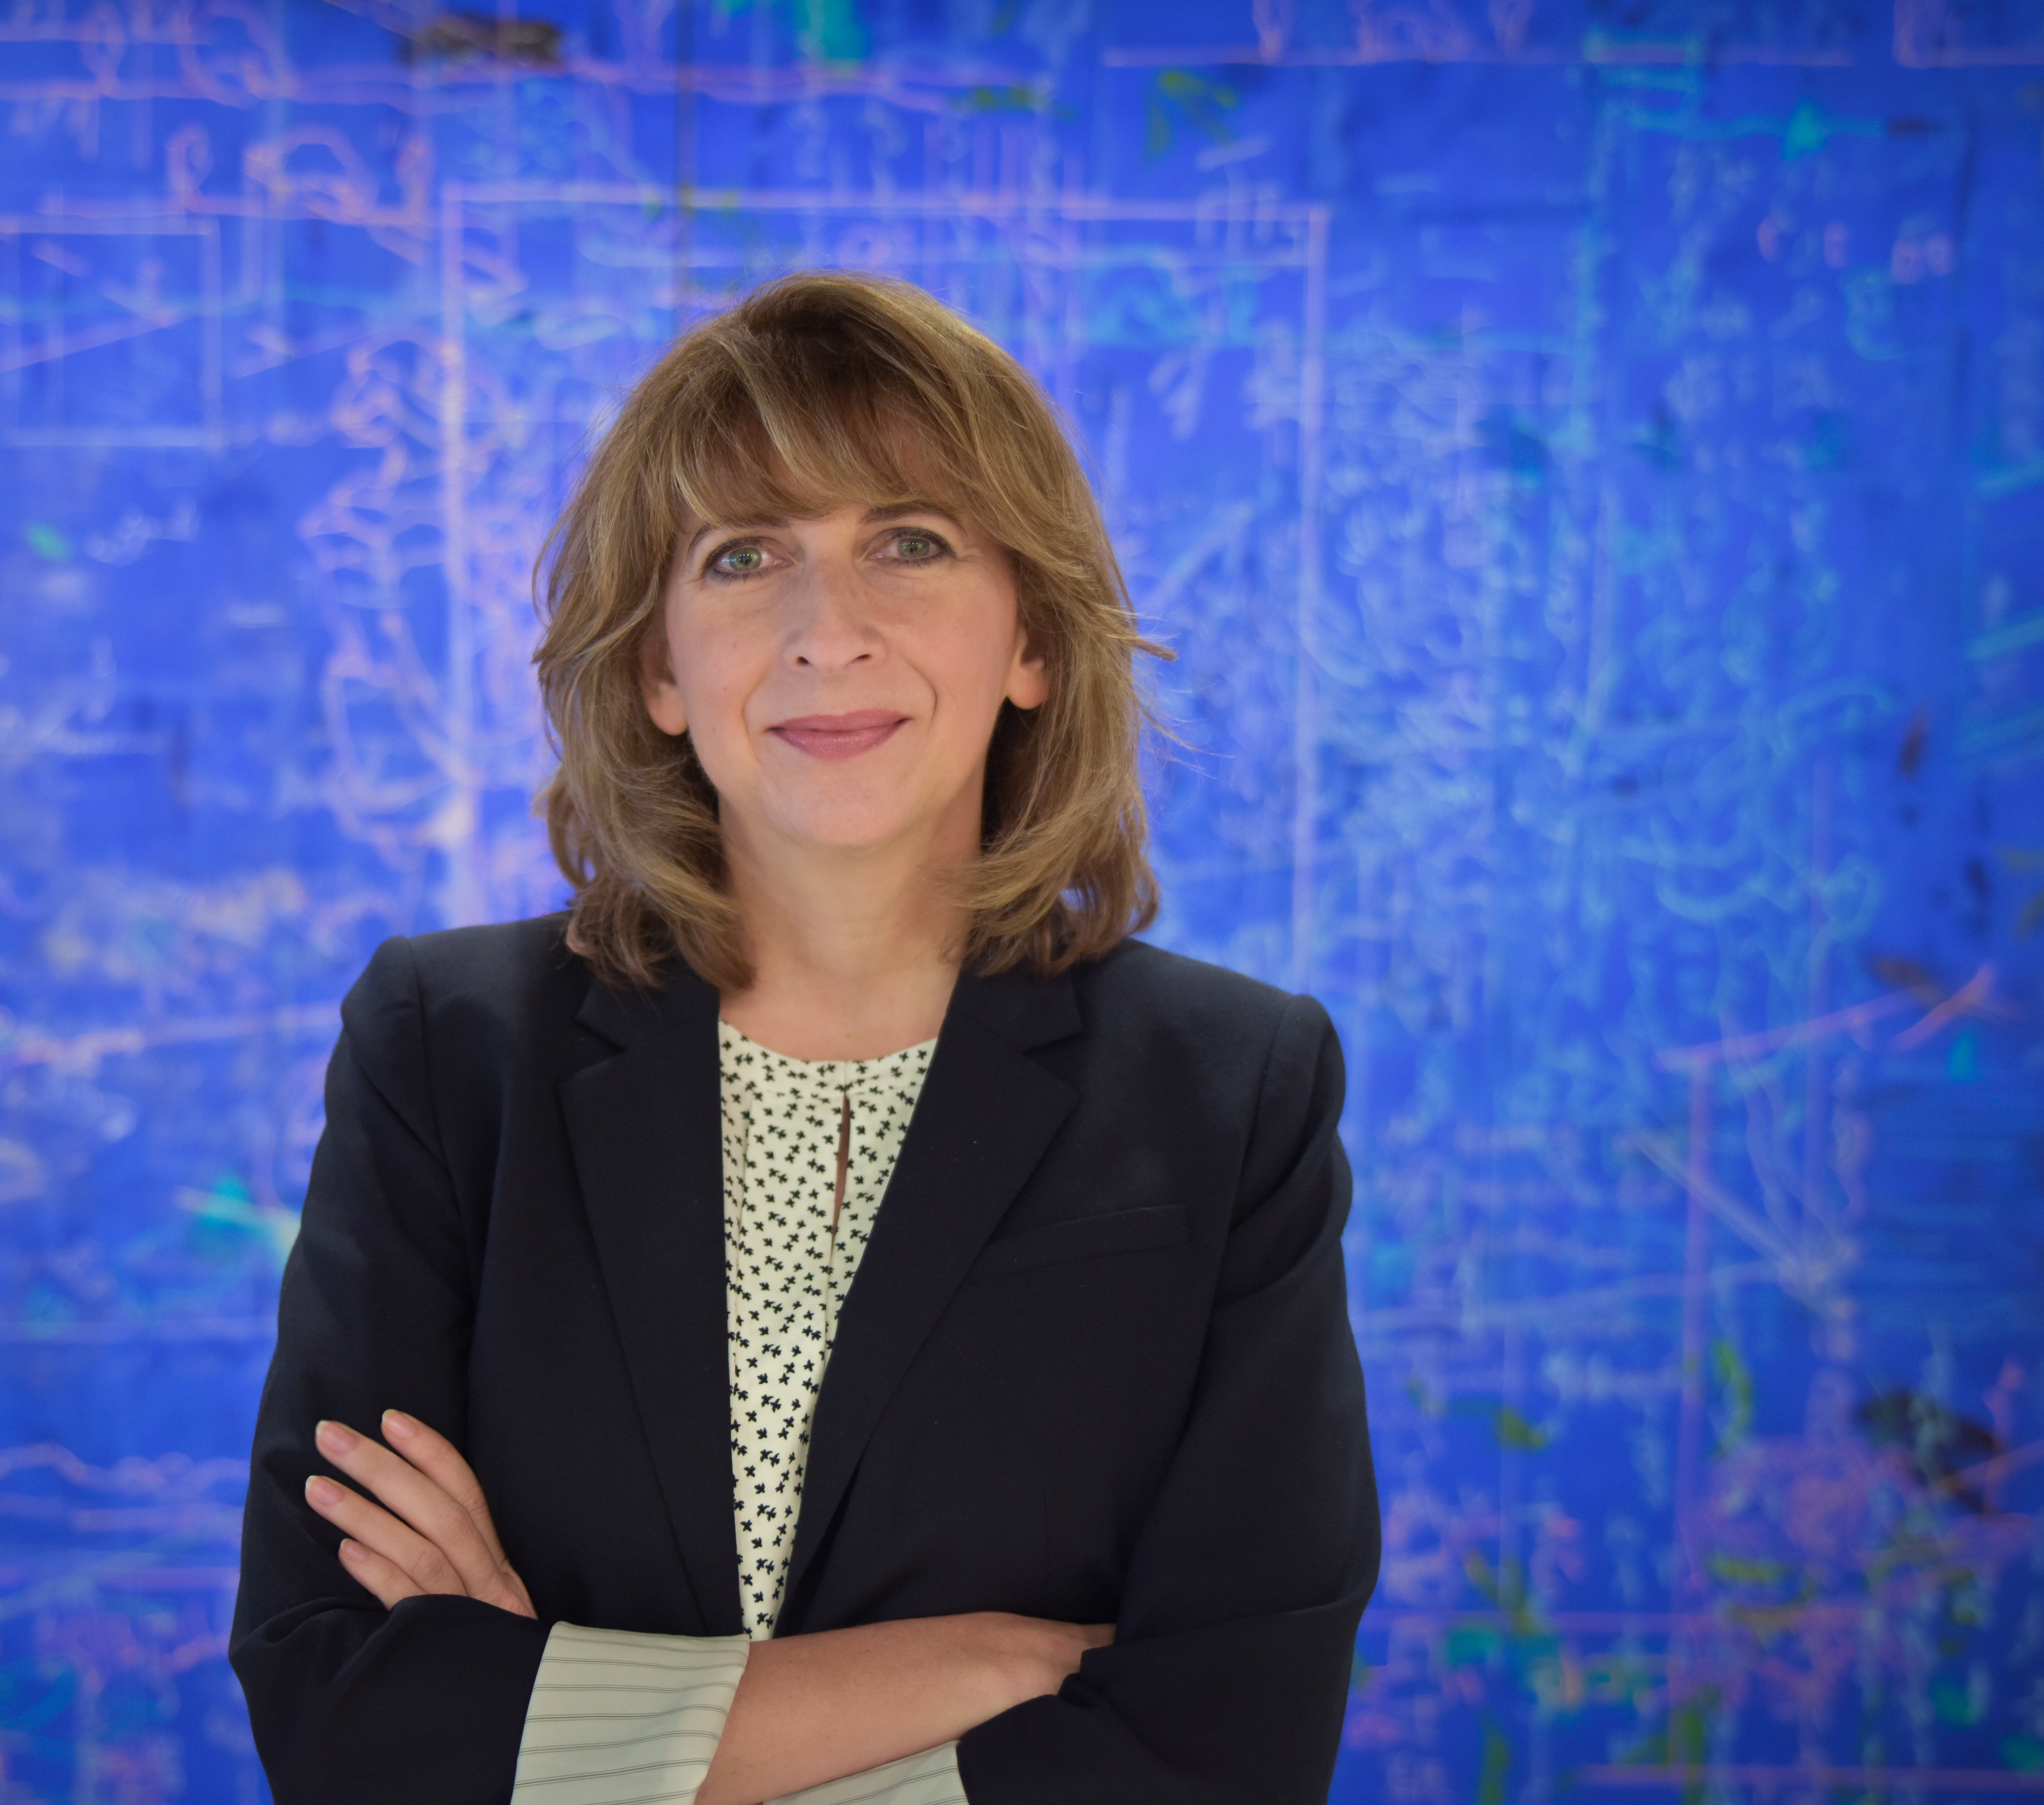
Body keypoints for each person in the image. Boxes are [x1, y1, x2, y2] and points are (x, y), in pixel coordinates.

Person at [228, 269, 1378, 1804]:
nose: (826, 631)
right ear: (656, 670)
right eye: (743, 555)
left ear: (1030, 640)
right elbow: (344, 1715)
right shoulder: (448, 1056)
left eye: (908, 542)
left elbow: (1224, 1749)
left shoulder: (1232, 1093)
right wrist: (974, 1674)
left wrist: (565, 1730)